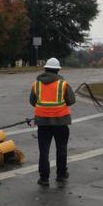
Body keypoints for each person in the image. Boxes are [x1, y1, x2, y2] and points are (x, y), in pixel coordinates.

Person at [29, 57, 75, 186]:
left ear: (45, 69)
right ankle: (61, 174)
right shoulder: (63, 84)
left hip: (43, 124)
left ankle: (44, 178)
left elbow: (32, 102)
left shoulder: (36, 84)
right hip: (61, 123)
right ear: (58, 70)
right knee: (61, 149)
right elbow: (71, 101)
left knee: (44, 151)